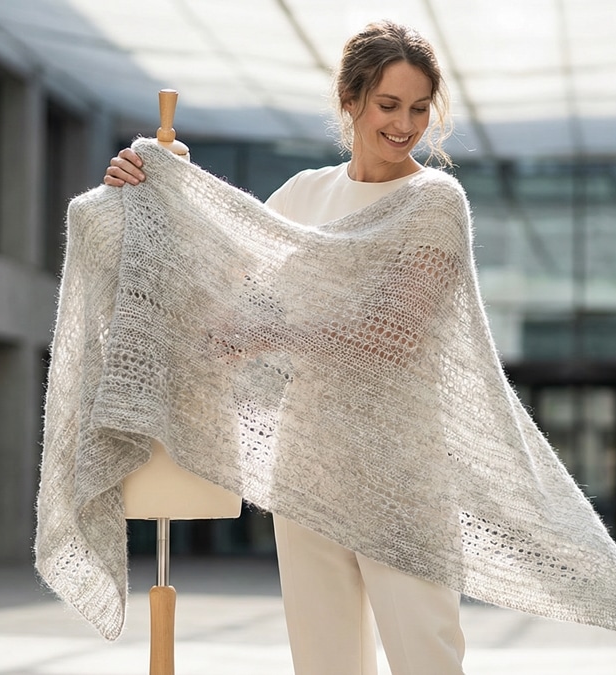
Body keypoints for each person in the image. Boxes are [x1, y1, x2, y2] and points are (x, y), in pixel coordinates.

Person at [103, 20, 466, 675]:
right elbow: (215, 280)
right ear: (350, 100)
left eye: (418, 108)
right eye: (388, 105)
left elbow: (394, 336)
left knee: (427, 659)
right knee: (324, 663)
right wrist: (151, 189)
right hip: (307, 468)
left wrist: (271, 333)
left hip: (402, 470)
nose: (405, 123)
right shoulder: (304, 194)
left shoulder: (434, 200)